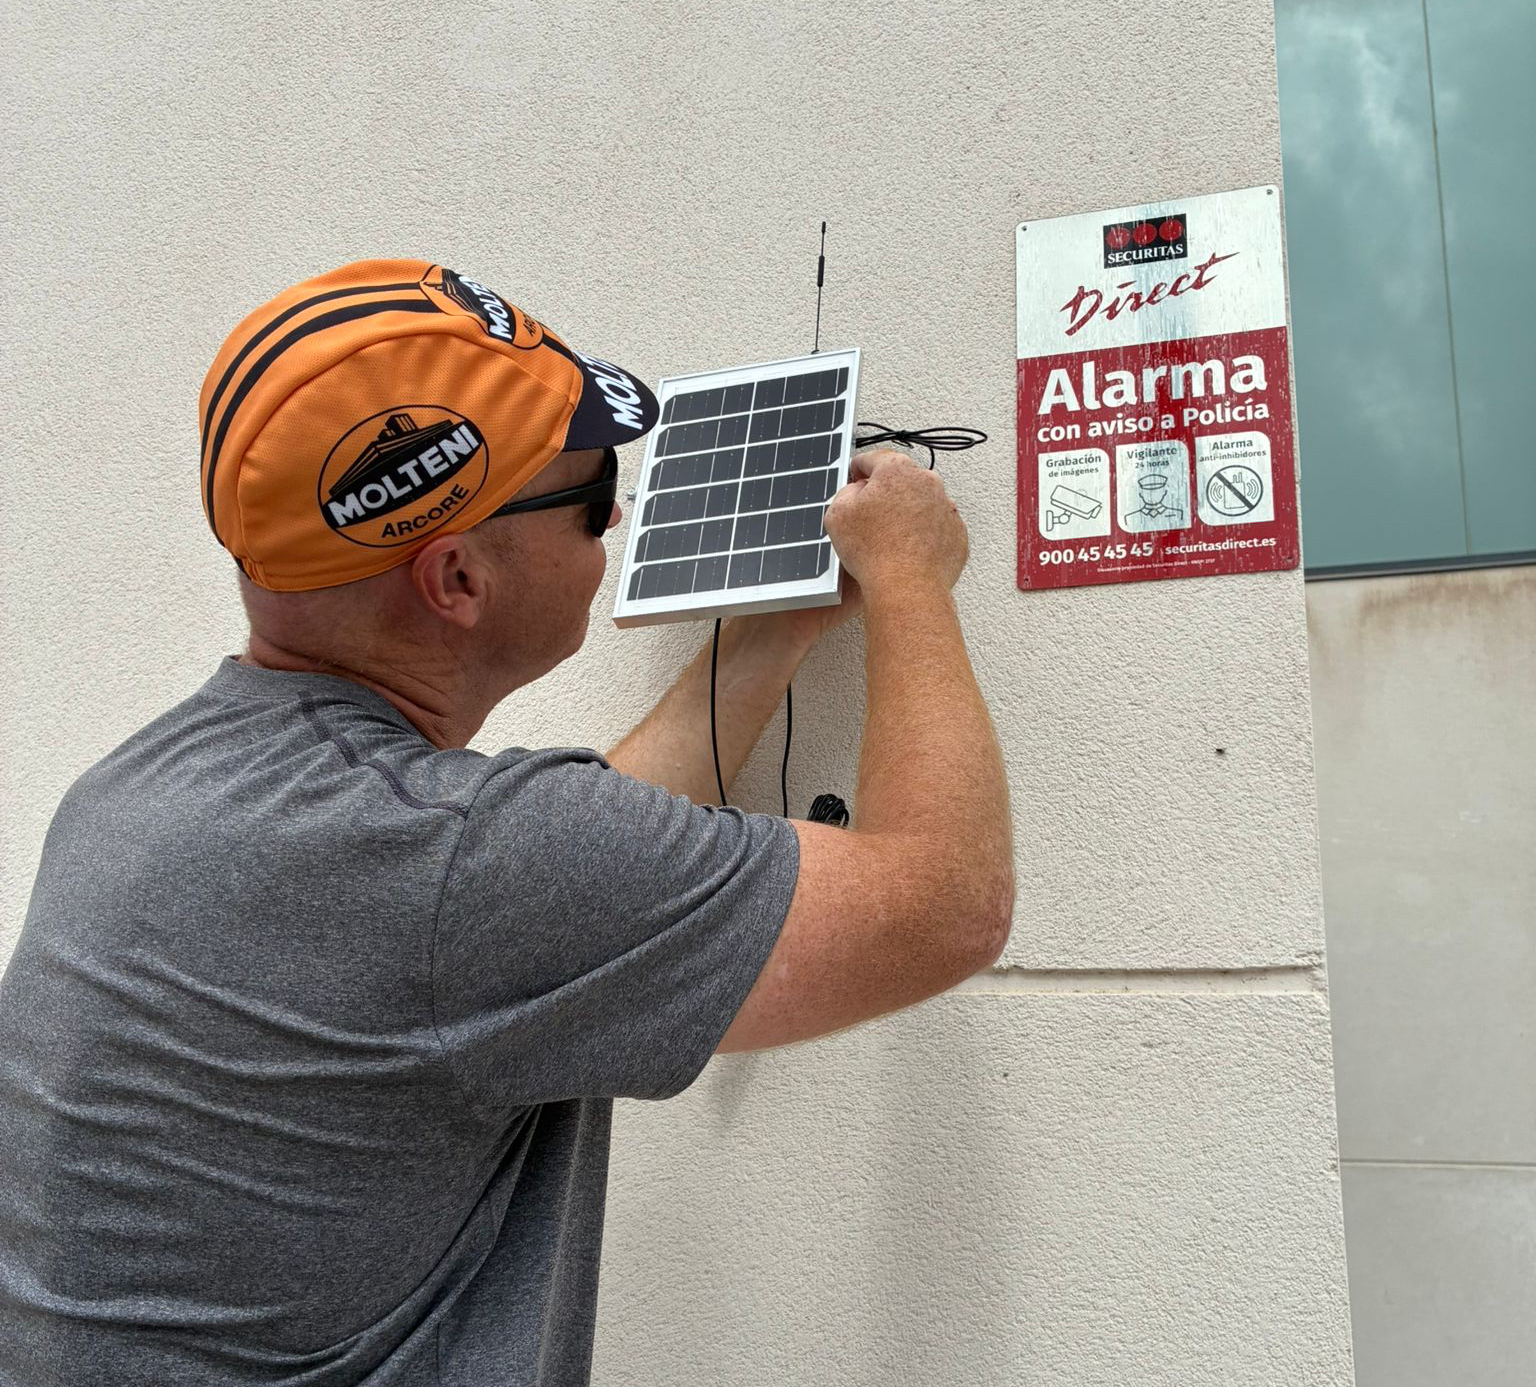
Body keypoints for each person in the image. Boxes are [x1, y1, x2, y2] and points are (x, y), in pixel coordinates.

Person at [0, 260, 1013, 1386]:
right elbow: (946, 906)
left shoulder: (139, 790)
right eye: (591, 497)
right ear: (458, 582)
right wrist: (916, 579)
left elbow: (554, 892)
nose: (620, 514)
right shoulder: (460, 862)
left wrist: (773, 636)